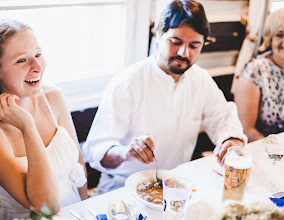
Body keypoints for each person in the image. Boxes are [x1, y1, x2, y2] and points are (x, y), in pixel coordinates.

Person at [82, 0, 247, 194]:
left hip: (175, 186)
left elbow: (222, 116)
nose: (184, 52)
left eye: (194, 45)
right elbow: (96, 150)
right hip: (123, 189)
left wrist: (231, 140)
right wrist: (125, 153)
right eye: (176, 42)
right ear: (158, 35)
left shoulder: (200, 79)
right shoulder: (128, 82)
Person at [0, 19, 87, 220]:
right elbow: (46, 206)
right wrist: (28, 127)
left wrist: (85, 208)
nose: (37, 67)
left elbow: (78, 163)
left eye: (38, 54)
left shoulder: (53, 97)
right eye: (21, 60)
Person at [235, 8, 284, 142]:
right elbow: (246, 130)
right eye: (280, 35)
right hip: (265, 151)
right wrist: (277, 152)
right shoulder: (254, 71)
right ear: (270, 38)